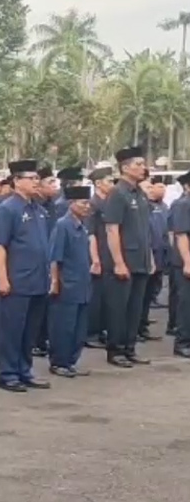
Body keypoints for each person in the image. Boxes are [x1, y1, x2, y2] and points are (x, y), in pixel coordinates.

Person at [0, 160, 52, 392]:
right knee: (11, 330)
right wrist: (3, 278)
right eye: (32, 178)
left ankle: (24, 370)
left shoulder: (38, 209)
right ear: (17, 181)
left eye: (38, 178)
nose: (36, 182)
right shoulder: (8, 209)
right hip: (17, 279)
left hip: (37, 279)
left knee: (30, 330)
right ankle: (7, 374)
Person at [101, 147, 152, 367]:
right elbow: (112, 229)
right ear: (125, 167)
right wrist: (119, 263)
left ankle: (130, 347)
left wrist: (149, 258)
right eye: (138, 164)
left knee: (135, 308)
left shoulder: (139, 193)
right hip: (124, 261)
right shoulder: (117, 193)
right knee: (119, 308)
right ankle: (116, 349)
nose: (143, 168)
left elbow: (144, 229)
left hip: (140, 260)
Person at [48, 186, 95, 377]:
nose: (87, 207)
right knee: (63, 326)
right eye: (83, 203)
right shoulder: (62, 225)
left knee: (79, 328)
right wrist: (55, 282)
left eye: (88, 203)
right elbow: (55, 257)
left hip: (82, 284)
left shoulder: (82, 226)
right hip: (67, 284)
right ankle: (59, 362)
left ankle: (70, 361)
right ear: (71, 204)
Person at [84, 167, 114, 349]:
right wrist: (95, 259)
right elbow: (91, 234)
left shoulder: (110, 202)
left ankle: (102, 329)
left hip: (109, 254)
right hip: (98, 253)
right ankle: (91, 333)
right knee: (95, 296)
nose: (112, 184)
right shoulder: (92, 204)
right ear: (98, 184)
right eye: (109, 181)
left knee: (106, 296)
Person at [139, 174, 169, 341]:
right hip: (145, 257)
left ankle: (142, 326)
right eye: (147, 187)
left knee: (149, 294)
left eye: (151, 187)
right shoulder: (142, 208)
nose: (150, 190)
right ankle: (136, 328)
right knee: (140, 295)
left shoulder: (160, 206)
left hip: (159, 255)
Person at [170, 172, 190, 358]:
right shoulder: (184, 204)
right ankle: (182, 342)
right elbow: (181, 234)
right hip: (185, 262)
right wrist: (187, 262)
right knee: (186, 303)